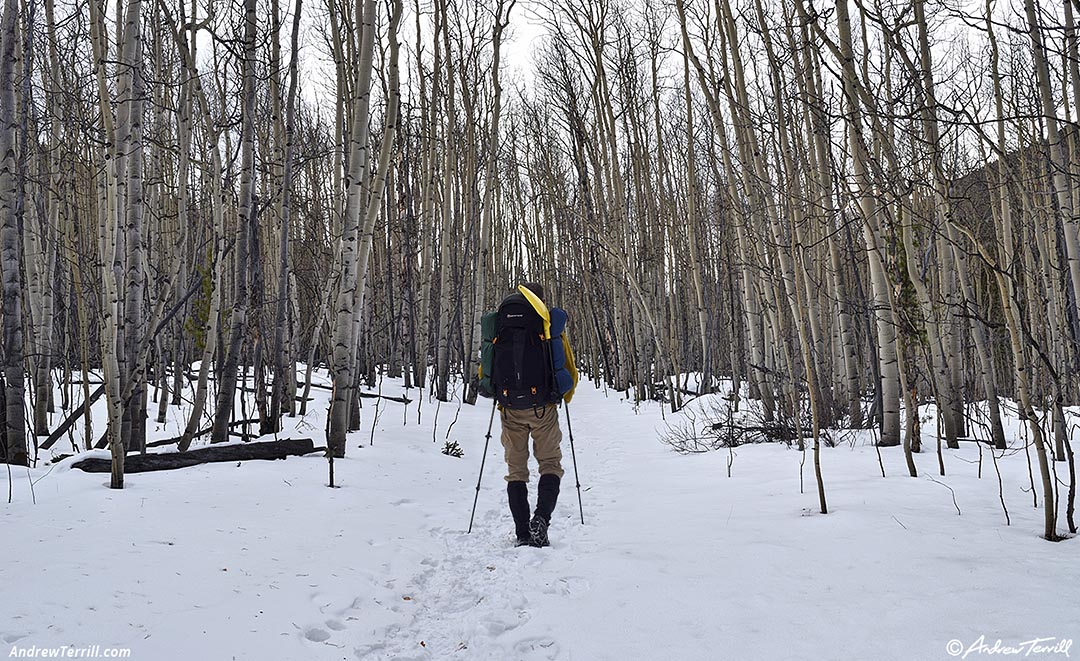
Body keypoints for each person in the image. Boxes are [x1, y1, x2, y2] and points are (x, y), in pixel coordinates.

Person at [480, 282, 577, 547]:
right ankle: (541, 519)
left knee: (516, 471)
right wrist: (564, 395)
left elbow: (486, 368)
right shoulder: (546, 325)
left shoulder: (501, 324)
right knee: (550, 465)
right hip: (543, 408)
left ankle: (523, 533)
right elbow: (566, 365)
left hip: (510, 409)